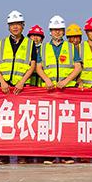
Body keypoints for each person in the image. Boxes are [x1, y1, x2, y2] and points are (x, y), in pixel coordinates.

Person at [0, 10, 38, 165]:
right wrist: (2, 82)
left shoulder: (30, 44)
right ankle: (3, 154)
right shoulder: (1, 43)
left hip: (21, 88)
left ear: (23, 26)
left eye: (17, 24)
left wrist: (22, 82)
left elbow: (32, 66)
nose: (15, 27)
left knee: (23, 121)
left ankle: (23, 154)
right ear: (8, 26)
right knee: (4, 121)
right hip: (4, 88)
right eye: (12, 24)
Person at [35, 15, 82, 165]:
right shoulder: (43, 48)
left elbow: (78, 67)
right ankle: (48, 154)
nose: (57, 32)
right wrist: (47, 80)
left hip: (67, 91)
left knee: (66, 123)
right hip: (49, 91)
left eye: (60, 30)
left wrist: (66, 81)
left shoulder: (71, 47)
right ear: (50, 31)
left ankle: (65, 154)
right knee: (48, 123)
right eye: (54, 30)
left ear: (63, 31)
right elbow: (38, 67)